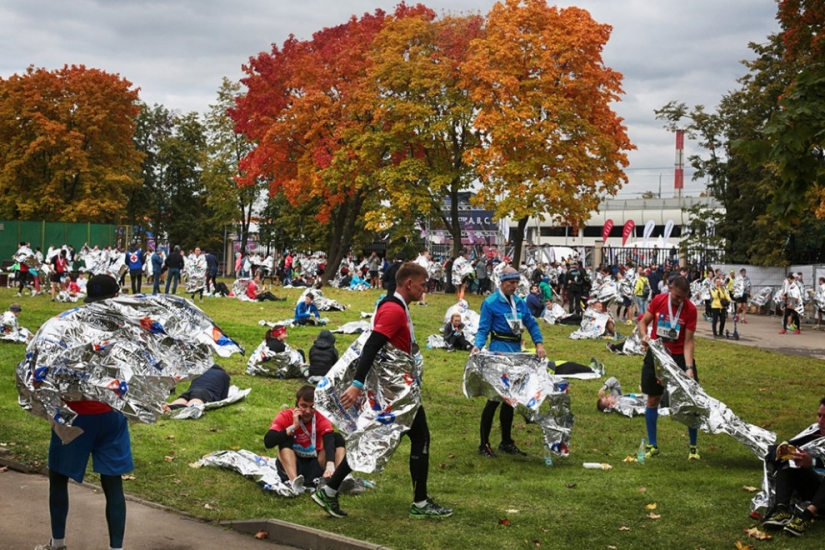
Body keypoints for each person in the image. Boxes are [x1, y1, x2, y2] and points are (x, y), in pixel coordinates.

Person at [312, 262, 452, 519]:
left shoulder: (397, 306)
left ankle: (330, 491)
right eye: (422, 285)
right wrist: (357, 384)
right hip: (396, 394)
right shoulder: (393, 310)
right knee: (407, 439)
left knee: (389, 439)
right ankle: (420, 503)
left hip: (400, 390)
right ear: (409, 283)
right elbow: (371, 346)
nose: (425, 289)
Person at [35, 274, 133, 550]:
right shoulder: (124, 329)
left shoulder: (66, 325)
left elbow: (49, 367)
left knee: (58, 478)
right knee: (113, 485)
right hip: (112, 415)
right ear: (116, 296)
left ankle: (58, 543)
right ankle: (116, 548)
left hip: (74, 415)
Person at [471, 267, 547, 458]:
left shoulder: (520, 303)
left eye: (516, 283)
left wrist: (539, 343)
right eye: (510, 283)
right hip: (498, 354)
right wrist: (477, 346)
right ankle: (484, 444)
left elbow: (531, 323)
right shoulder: (490, 303)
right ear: (501, 283)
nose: (514, 286)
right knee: (494, 399)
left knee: (510, 401)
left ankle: (506, 441)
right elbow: (483, 329)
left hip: (516, 354)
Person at [638, 275, 699, 460]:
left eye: (683, 297)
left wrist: (689, 368)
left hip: (679, 357)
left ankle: (693, 448)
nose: (679, 300)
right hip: (657, 355)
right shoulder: (658, 300)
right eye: (677, 297)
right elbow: (643, 322)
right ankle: (653, 445)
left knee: (690, 402)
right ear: (670, 288)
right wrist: (644, 336)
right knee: (653, 399)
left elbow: (688, 341)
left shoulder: (690, 309)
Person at [760, 397, 825, 537]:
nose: (821, 421)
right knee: (789, 458)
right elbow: (777, 451)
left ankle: (806, 516)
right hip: (814, 489)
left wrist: (812, 462)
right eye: (819, 415)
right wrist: (783, 453)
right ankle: (782, 510)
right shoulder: (813, 432)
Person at [265, 385, 347, 493]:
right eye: (303, 406)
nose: (308, 411)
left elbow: (329, 441)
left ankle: (337, 478)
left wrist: (330, 465)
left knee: (337, 438)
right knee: (284, 437)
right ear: (297, 404)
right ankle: (294, 482)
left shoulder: (321, 417)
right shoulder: (285, 416)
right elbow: (268, 442)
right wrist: (293, 427)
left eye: (312, 407)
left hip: (315, 463)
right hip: (293, 464)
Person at [163, 364, 230, 411]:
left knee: (180, 401)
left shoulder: (199, 372)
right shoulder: (225, 376)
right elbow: (224, 397)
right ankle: (170, 407)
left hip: (190, 391)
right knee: (190, 407)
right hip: (204, 393)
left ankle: (165, 405)